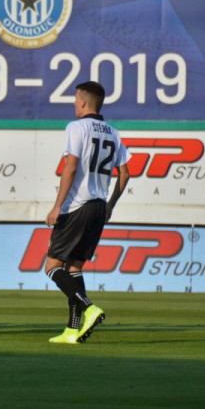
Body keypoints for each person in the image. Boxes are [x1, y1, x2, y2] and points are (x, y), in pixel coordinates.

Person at [43, 81, 130, 344]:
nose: (74, 103)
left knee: (52, 267)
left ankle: (89, 308)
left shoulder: (76, 127)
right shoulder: (113, 133)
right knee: (74, 268)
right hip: (99, 207)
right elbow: (125, 174)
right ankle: (72, 330)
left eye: (75, 99)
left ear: (82, 101)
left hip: (77, 205)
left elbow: (70, 167)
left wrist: (57, 206)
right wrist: (110, 205)